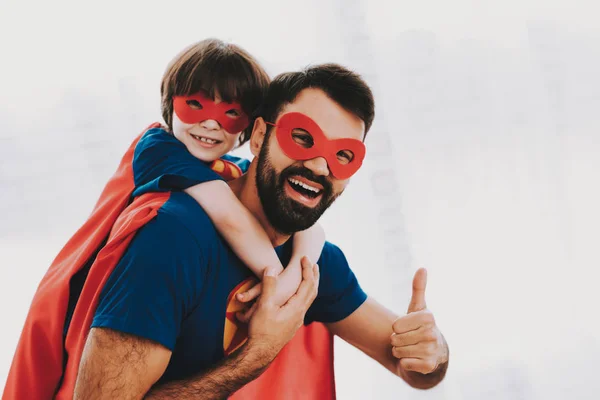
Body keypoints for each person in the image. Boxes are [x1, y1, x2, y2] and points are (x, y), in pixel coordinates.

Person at [71, 63, 450, 399]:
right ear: (257, 137)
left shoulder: (313, 266)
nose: (320, 166)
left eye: (343, 155)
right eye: (302, 138)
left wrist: (432, 351)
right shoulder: (173, 237)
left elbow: (413, 369)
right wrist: (258, 353)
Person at [2, 38, 324, 400]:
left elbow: (311, 225)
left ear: (251, 127)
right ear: (170, 104)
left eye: (231, 113)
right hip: (94, 292)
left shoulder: (231, 170)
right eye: (195, 105)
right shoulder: (159, 149)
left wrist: (300, 265)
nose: (210, 123)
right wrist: (278, 282)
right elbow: (230, 217)